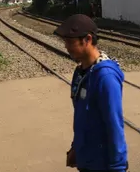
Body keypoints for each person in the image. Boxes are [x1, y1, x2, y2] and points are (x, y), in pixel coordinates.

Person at [54, 14, 128, 172]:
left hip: (102, 165)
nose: (66, 46)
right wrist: (77, 147)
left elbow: (114, 125)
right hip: (86, 159)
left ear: (87, 39)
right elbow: (83, 116)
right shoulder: (80, 72)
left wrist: (118, 167)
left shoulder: (105, 77)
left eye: (69, 42)